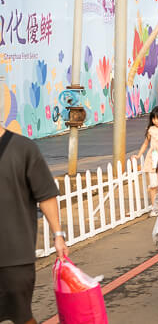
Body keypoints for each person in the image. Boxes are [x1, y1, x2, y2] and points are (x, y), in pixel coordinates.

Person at [0, 122, 67, 324]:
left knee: (22, 317)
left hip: (15, 257)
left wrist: (58, 235)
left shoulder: (23, 148)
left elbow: (46, 195)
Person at [135, 105, 158, 213]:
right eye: (154, 118)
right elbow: (146, 143)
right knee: (153, 184)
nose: (156, 121)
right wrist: (138, 155)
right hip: (153, 159)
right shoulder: (151, 130)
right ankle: (155, 208)